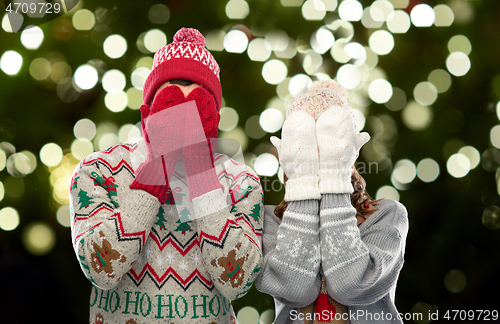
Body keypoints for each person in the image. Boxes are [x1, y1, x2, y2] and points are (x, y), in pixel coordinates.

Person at [69, 28, 263, 324]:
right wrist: (157, 169)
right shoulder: (100, 169)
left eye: (199, 103)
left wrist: (199, 173)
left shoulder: (239, 180)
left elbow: (237, 283)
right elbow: (100, 269)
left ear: (214, 120)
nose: (185, 114)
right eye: (172, 99)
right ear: (147, 114)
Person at [255, 80, 409, 324]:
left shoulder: (386, 215)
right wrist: (303, 182)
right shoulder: (269, 220)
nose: (319, 152)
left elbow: (352, 285)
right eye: (306, 142)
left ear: (351, 148)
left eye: (330, 141)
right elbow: (294, 288)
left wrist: (334, 179)